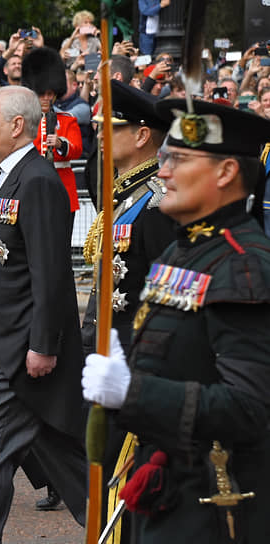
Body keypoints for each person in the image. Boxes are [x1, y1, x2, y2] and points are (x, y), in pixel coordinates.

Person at [82, 98, 270, 544]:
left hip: (216, 504)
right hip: (169, 486)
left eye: (178, 159)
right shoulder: (181, 250)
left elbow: (248, 408)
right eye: (164, 158)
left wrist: (132, 390)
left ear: (225, 173)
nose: (162, 171)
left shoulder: (244, 267)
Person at [0, 86, 87, 543]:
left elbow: (50, 272)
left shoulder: (36, 180)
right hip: (3, 338)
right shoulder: (4, 176)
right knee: (64, 461)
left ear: (17, 126)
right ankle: (124, 529)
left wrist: (41, 345)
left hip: (21, 350)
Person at [79, 80, 176, 542]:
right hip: (112, 351)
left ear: (142, 135)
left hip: (135, 356)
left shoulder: (155, 203)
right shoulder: (125, 194)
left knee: (123, 473)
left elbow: (162, 293)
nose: (101, 135)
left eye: (112, 128)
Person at [23, 47, 83, 232]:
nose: (47, 98)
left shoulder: (67, 120)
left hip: (61, 186)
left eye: (51, 94)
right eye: (42, 93)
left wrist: (60, 144)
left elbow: (76, 149)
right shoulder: (24, 122)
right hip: (31, 187)